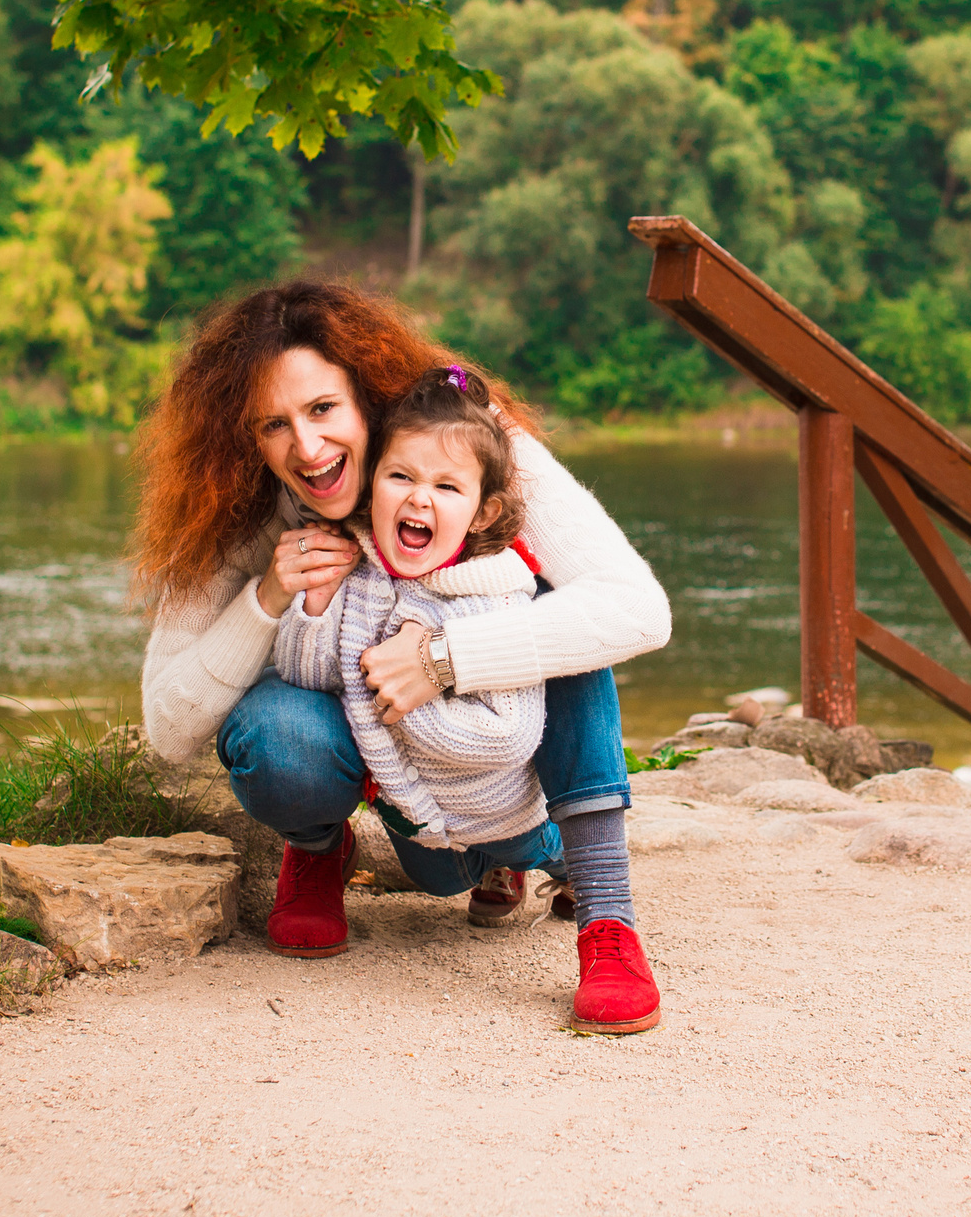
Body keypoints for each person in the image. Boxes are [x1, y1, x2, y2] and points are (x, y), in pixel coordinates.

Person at [131, 282, 671, 1033]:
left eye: (323, 409)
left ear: (367, 392)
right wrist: (268, 596)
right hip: (397, 780)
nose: (308, 448)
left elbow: (639, 608)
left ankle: (606, 916)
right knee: (271, 729)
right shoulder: (248, 504)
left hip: (496, 747)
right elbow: (167, 722)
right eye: (274, 425)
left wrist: (447, 657)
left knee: (568, 608)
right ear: (246, 439)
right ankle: (319, 845)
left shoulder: (470, 442)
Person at [272, 366, 574, 944]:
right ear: (372, 483)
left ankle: (565, 866)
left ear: (482, 512)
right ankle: (477, 867)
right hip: (418, 816)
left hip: (500, 806)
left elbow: (508, 736)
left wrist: (411, 687)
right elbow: (305, 677)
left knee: (532, 844)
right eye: (401, 476)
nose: (418, 497)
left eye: (447, 486)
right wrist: (314, 607)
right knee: (436, 880)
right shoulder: (359, 574)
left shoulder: (493, 592)